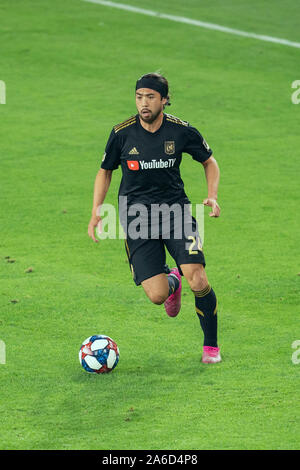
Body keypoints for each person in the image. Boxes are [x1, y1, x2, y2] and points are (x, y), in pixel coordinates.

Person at [88, 73, 221, 364]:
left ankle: (211, 347)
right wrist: (96, 209)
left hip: (176, 213)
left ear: (163, 99)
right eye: (139, 97)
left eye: (150, 97)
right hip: (137, 219)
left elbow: (209, 161)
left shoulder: (182, 131)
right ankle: (172, 281)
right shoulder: (122, 133)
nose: (143, 103)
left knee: (197, 277)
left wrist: (212, 195)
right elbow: (105, 170)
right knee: (157, 296)